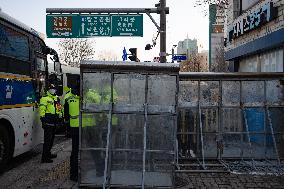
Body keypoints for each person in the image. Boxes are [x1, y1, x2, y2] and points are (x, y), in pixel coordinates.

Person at [39, 84, 62, 163]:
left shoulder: (56, 98)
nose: (53, 90)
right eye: (51, 88)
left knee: (51, 140)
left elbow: (59, 108)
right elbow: (42, 109)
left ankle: (48, 153)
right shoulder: (44, 98)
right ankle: (44, 158)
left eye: (54, 89)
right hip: (48, 122)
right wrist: (43, 119)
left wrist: (60, 116)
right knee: (47, 140)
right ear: (48, 90)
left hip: (54, 121)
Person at [64, 86, 80, 181]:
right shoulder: (68, 97)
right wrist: (68, 129)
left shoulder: (67, 97)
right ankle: (73, 174)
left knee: (76, 151)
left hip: (85, 127)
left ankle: (74, 175)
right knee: (75, 151)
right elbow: (66, 115)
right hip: (77, 128)